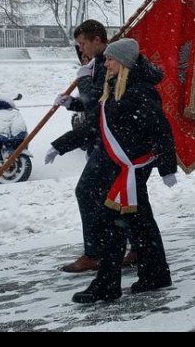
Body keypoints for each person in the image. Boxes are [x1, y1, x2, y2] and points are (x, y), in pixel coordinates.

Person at [49, 39, 178, 303]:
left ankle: (108, 285)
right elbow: (94, 125)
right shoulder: (114, 87)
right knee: (140, 224)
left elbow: (161, 130)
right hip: (120, 168)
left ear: (123, 62)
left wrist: (167, 168)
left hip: (131, 170)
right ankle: (155, 274)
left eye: (109, 59)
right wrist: (59, 145)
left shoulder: (141, 91)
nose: (105, 63)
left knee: (111, 224)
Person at [47, 20, 138, 273]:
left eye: (84, 43)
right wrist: (72, 104)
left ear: (98, 40)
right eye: (79, 45)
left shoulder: (111, 62)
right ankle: (133, 245)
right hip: (102, 141)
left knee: (89, 192)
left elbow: (99, 101)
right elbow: (93, 103)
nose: (81, 49)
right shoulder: (98, 63)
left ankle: (96, 252)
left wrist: (83, 82)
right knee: (112, 197)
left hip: (113, 144)